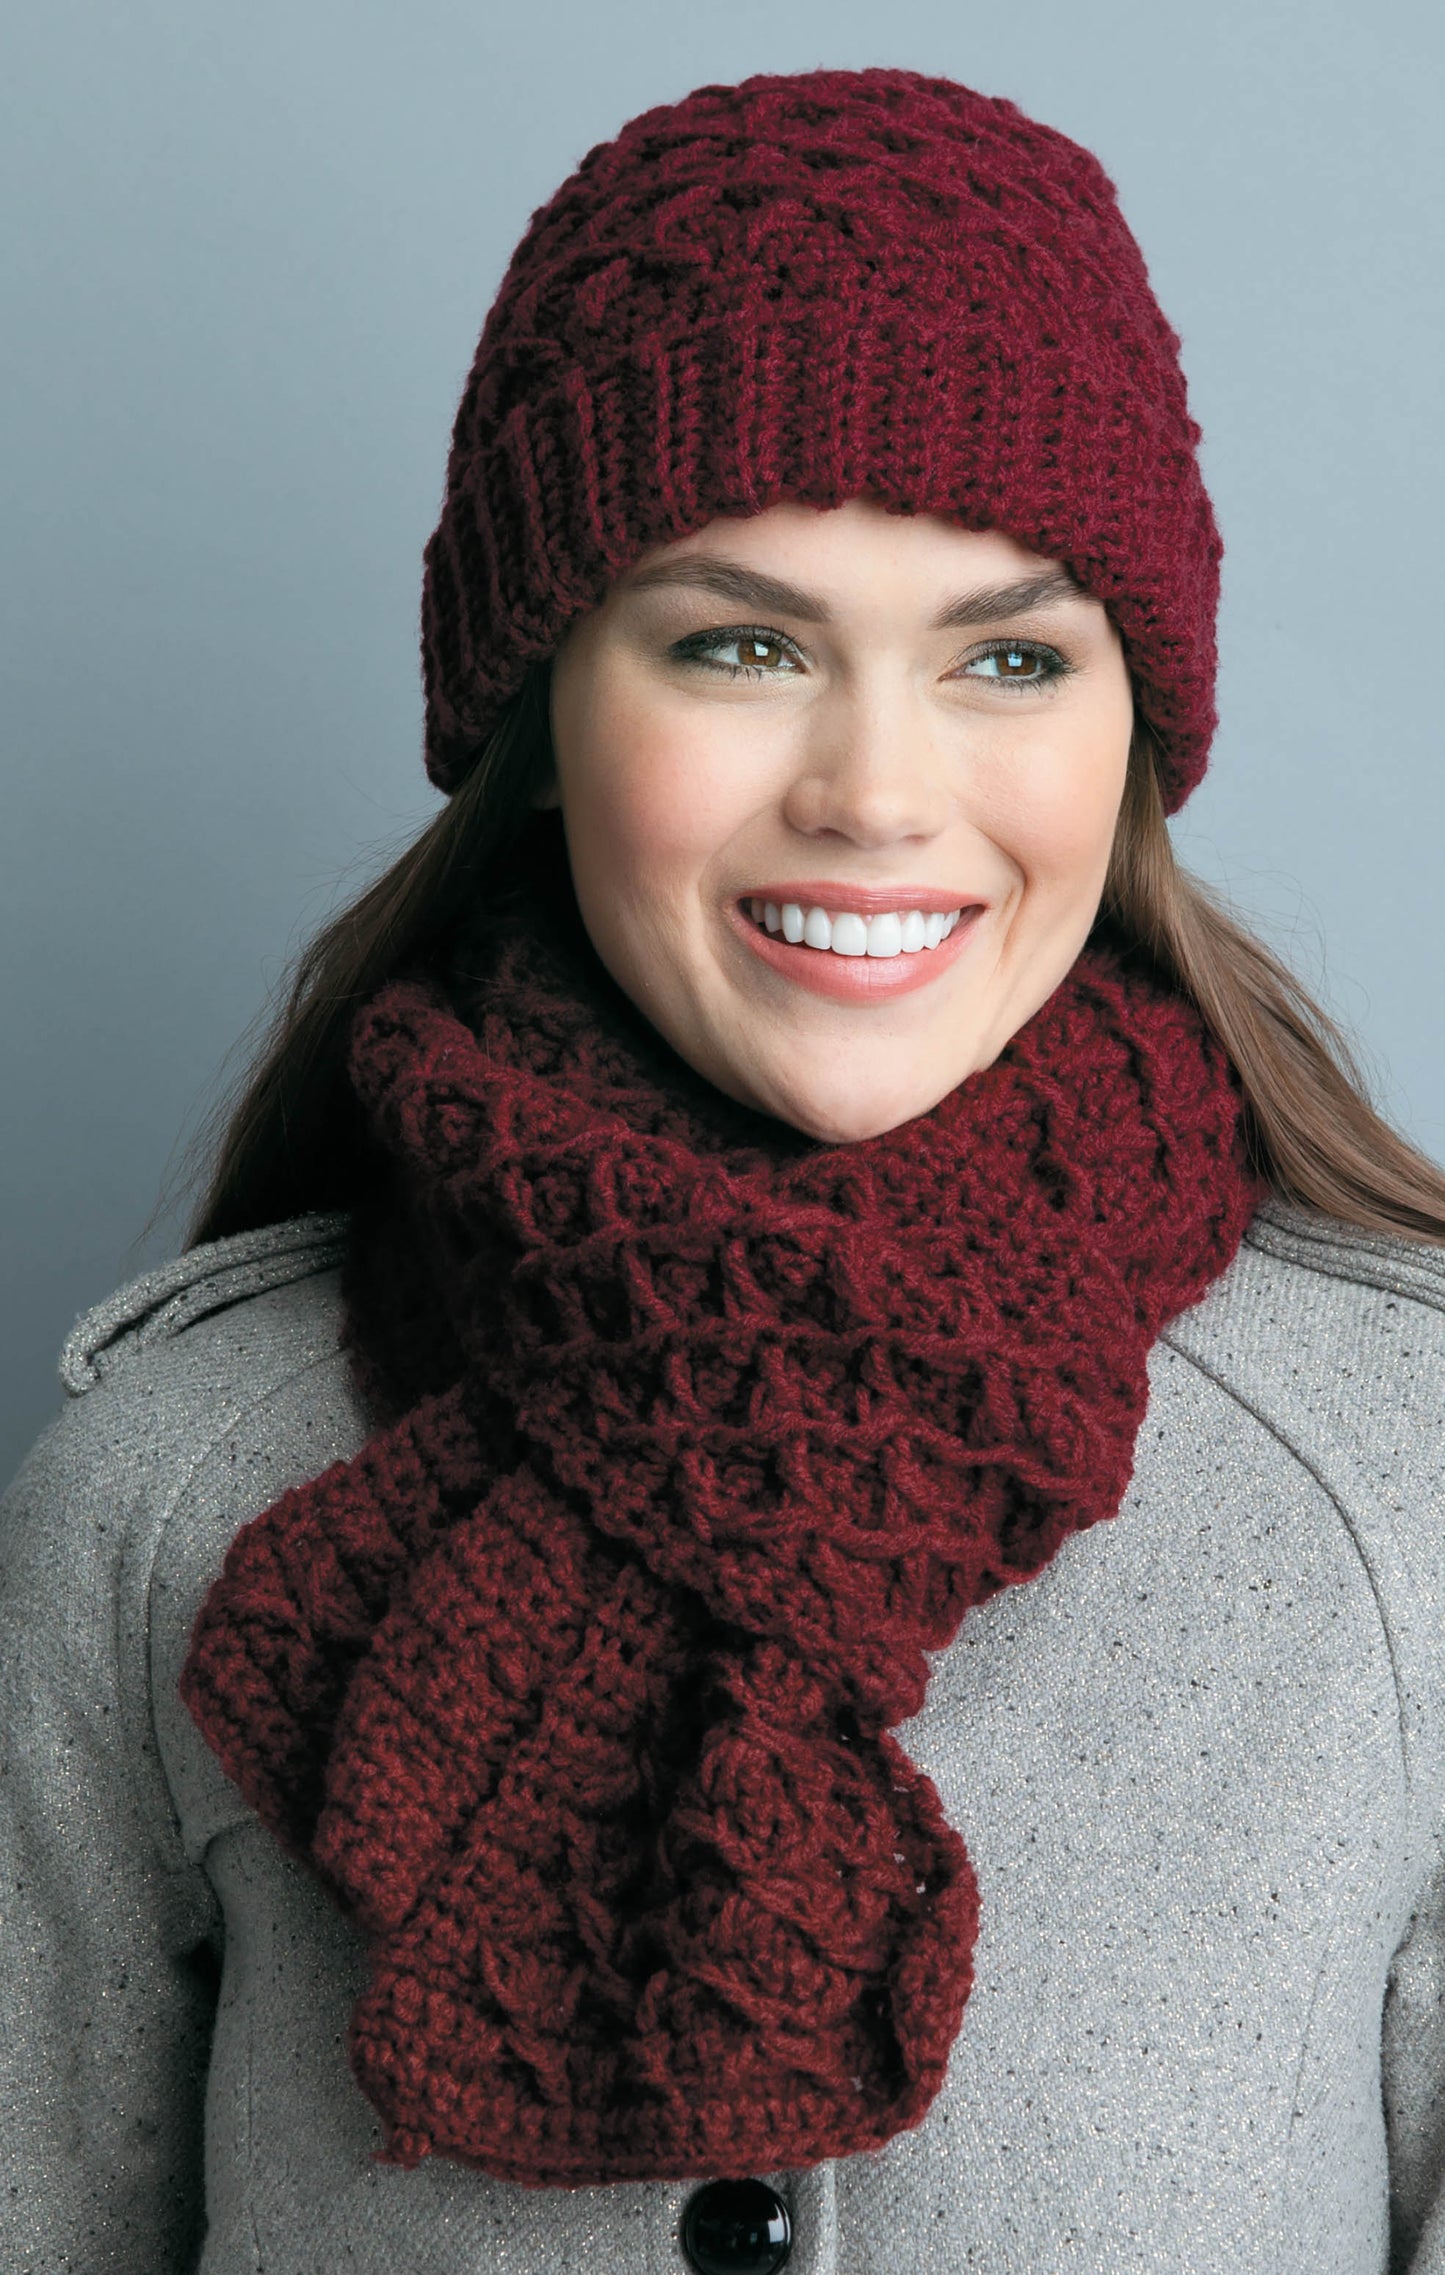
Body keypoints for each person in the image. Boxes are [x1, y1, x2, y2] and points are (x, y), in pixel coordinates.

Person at [3, 62, 1444, 2275]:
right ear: (540, 703)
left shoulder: (1408, 1497)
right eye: (740, 644)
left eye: (1010, 655)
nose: (879, 792)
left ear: (1130, 729)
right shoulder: (170, 1496)